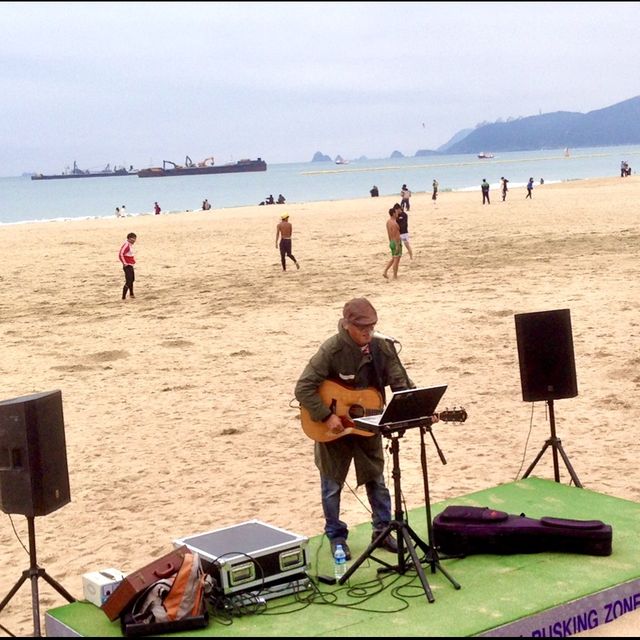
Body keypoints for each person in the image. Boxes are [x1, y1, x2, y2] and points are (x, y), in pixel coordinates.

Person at [295, 297, 432, 560]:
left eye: (371, 327)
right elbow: (303, 388)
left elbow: (401, 385)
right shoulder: (331, 349)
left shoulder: (382, 347)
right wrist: (326, 416)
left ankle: (382, 531)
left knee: (377, 480)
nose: (368, 333)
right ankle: (336, 536)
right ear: (347, 325)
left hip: (368, 427)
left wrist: (421, 409)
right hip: (333, 430)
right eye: (362, 329)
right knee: (332, 486)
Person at [383, 207, 402, 279]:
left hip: (391, 242)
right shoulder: (394, 223)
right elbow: (395, 235)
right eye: (396, 212)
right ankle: (395, 276)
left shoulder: (388, 222)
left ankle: (385, 271)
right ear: (393, 214)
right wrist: (397, 245)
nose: (397, 214)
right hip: (396, 242)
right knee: (396, 260)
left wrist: (391, 242)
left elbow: (389, 233)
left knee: (394, 258)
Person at [118, 232, 137, 300]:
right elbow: (121, 254)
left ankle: (131, 294)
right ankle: (123, 297)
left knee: (132, 279)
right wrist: (124, 263)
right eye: (132, 239)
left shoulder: (130, 244)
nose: (134, 240)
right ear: (128, 239)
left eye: (135, 239)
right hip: (127, 265)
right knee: (128, 281)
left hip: (130, 264)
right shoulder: (126, 245)